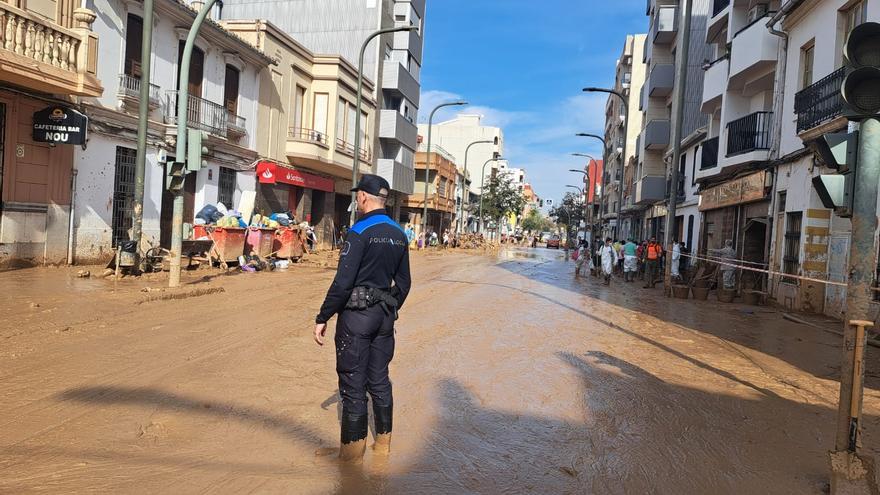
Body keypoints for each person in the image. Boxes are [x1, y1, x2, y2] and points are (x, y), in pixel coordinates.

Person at [313, 174, 411, 462]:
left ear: (365, 197)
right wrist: (389, 307)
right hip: (384, 320)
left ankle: (351, 459)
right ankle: (383, 447)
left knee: (353, 386)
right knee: (379, 381)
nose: (357, 199)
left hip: (357, 319)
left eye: (358, 195)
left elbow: (343, 283)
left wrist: (323, 315)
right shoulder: (399, 234)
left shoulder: (359, 231)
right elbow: (404, 284)